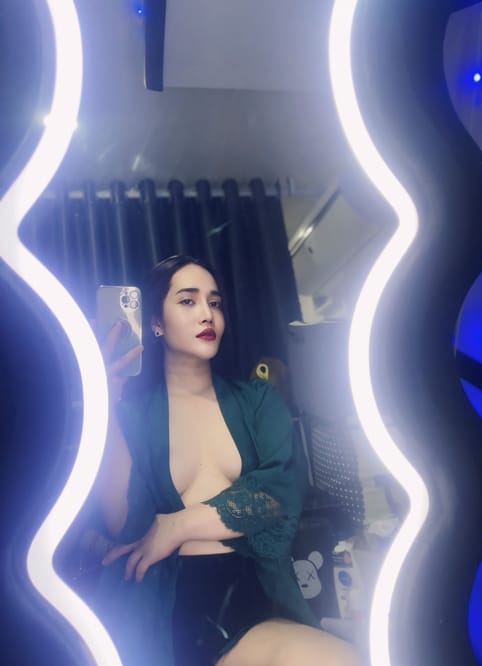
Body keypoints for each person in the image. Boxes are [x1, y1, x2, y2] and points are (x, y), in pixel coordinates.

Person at [92, 255, 359, 666]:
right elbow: (125, 525)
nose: (207, 313)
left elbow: (278, 495)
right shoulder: (133, 416)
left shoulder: (258, 400)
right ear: (156, 323)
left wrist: (177, 525)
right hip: (165, 607)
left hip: (249, 594)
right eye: (188, 301)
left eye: (214, 302)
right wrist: (106, 405)